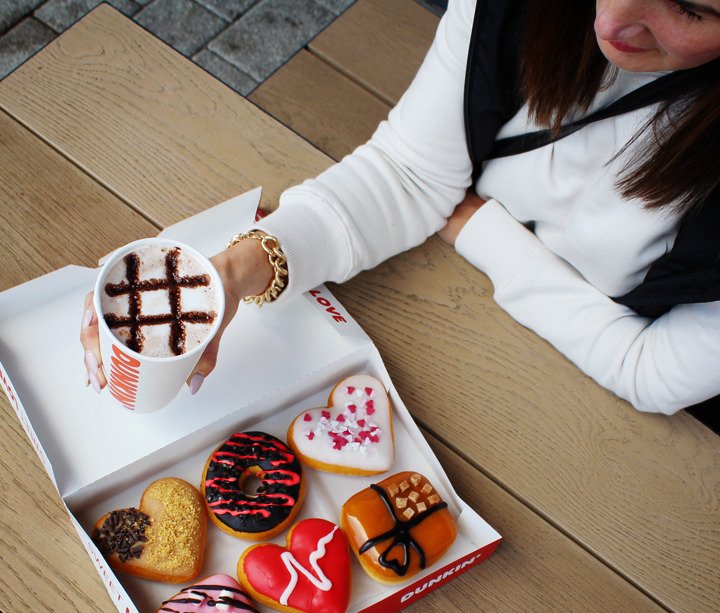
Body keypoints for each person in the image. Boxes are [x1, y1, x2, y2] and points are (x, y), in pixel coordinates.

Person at [80, 0, 720, 424]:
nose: (615, 17)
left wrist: (483, 233)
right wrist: (234, 270)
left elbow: (649, 371)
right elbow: (408, 173)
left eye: (692, 6)